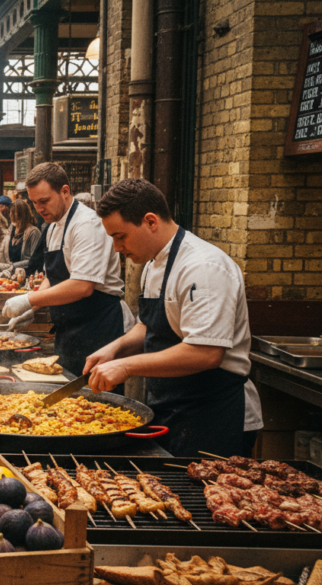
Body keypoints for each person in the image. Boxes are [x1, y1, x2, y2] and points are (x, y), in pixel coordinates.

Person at [85, 178, 262, 457]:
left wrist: (127, 366)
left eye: (120, 236)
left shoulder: (202, 267)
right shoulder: (154, 262)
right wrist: (115, 349)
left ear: (151, 221)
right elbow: (150, 325)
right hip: (170, 409)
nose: (117, 248)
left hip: (213, 414)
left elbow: (206, 353)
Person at [2, 162, 126, 381]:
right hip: (69, 332)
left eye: (44, 201)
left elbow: (82, 286)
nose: (39, 209)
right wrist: (33, 308)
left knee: (97, 406)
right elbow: (54, 276)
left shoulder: (87, 225)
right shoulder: (52, 227)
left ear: (65, 191)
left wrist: (29, 299)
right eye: (34, 203)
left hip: (99, 329)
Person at [5, 199, 43, 273]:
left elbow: (35, 260)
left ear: (22, 214)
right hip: (10, 274)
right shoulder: (11, 229)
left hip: (27, 275)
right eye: (11, 211)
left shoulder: (34, 232)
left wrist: (12, 266)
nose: (11, 215)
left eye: (13, 212)